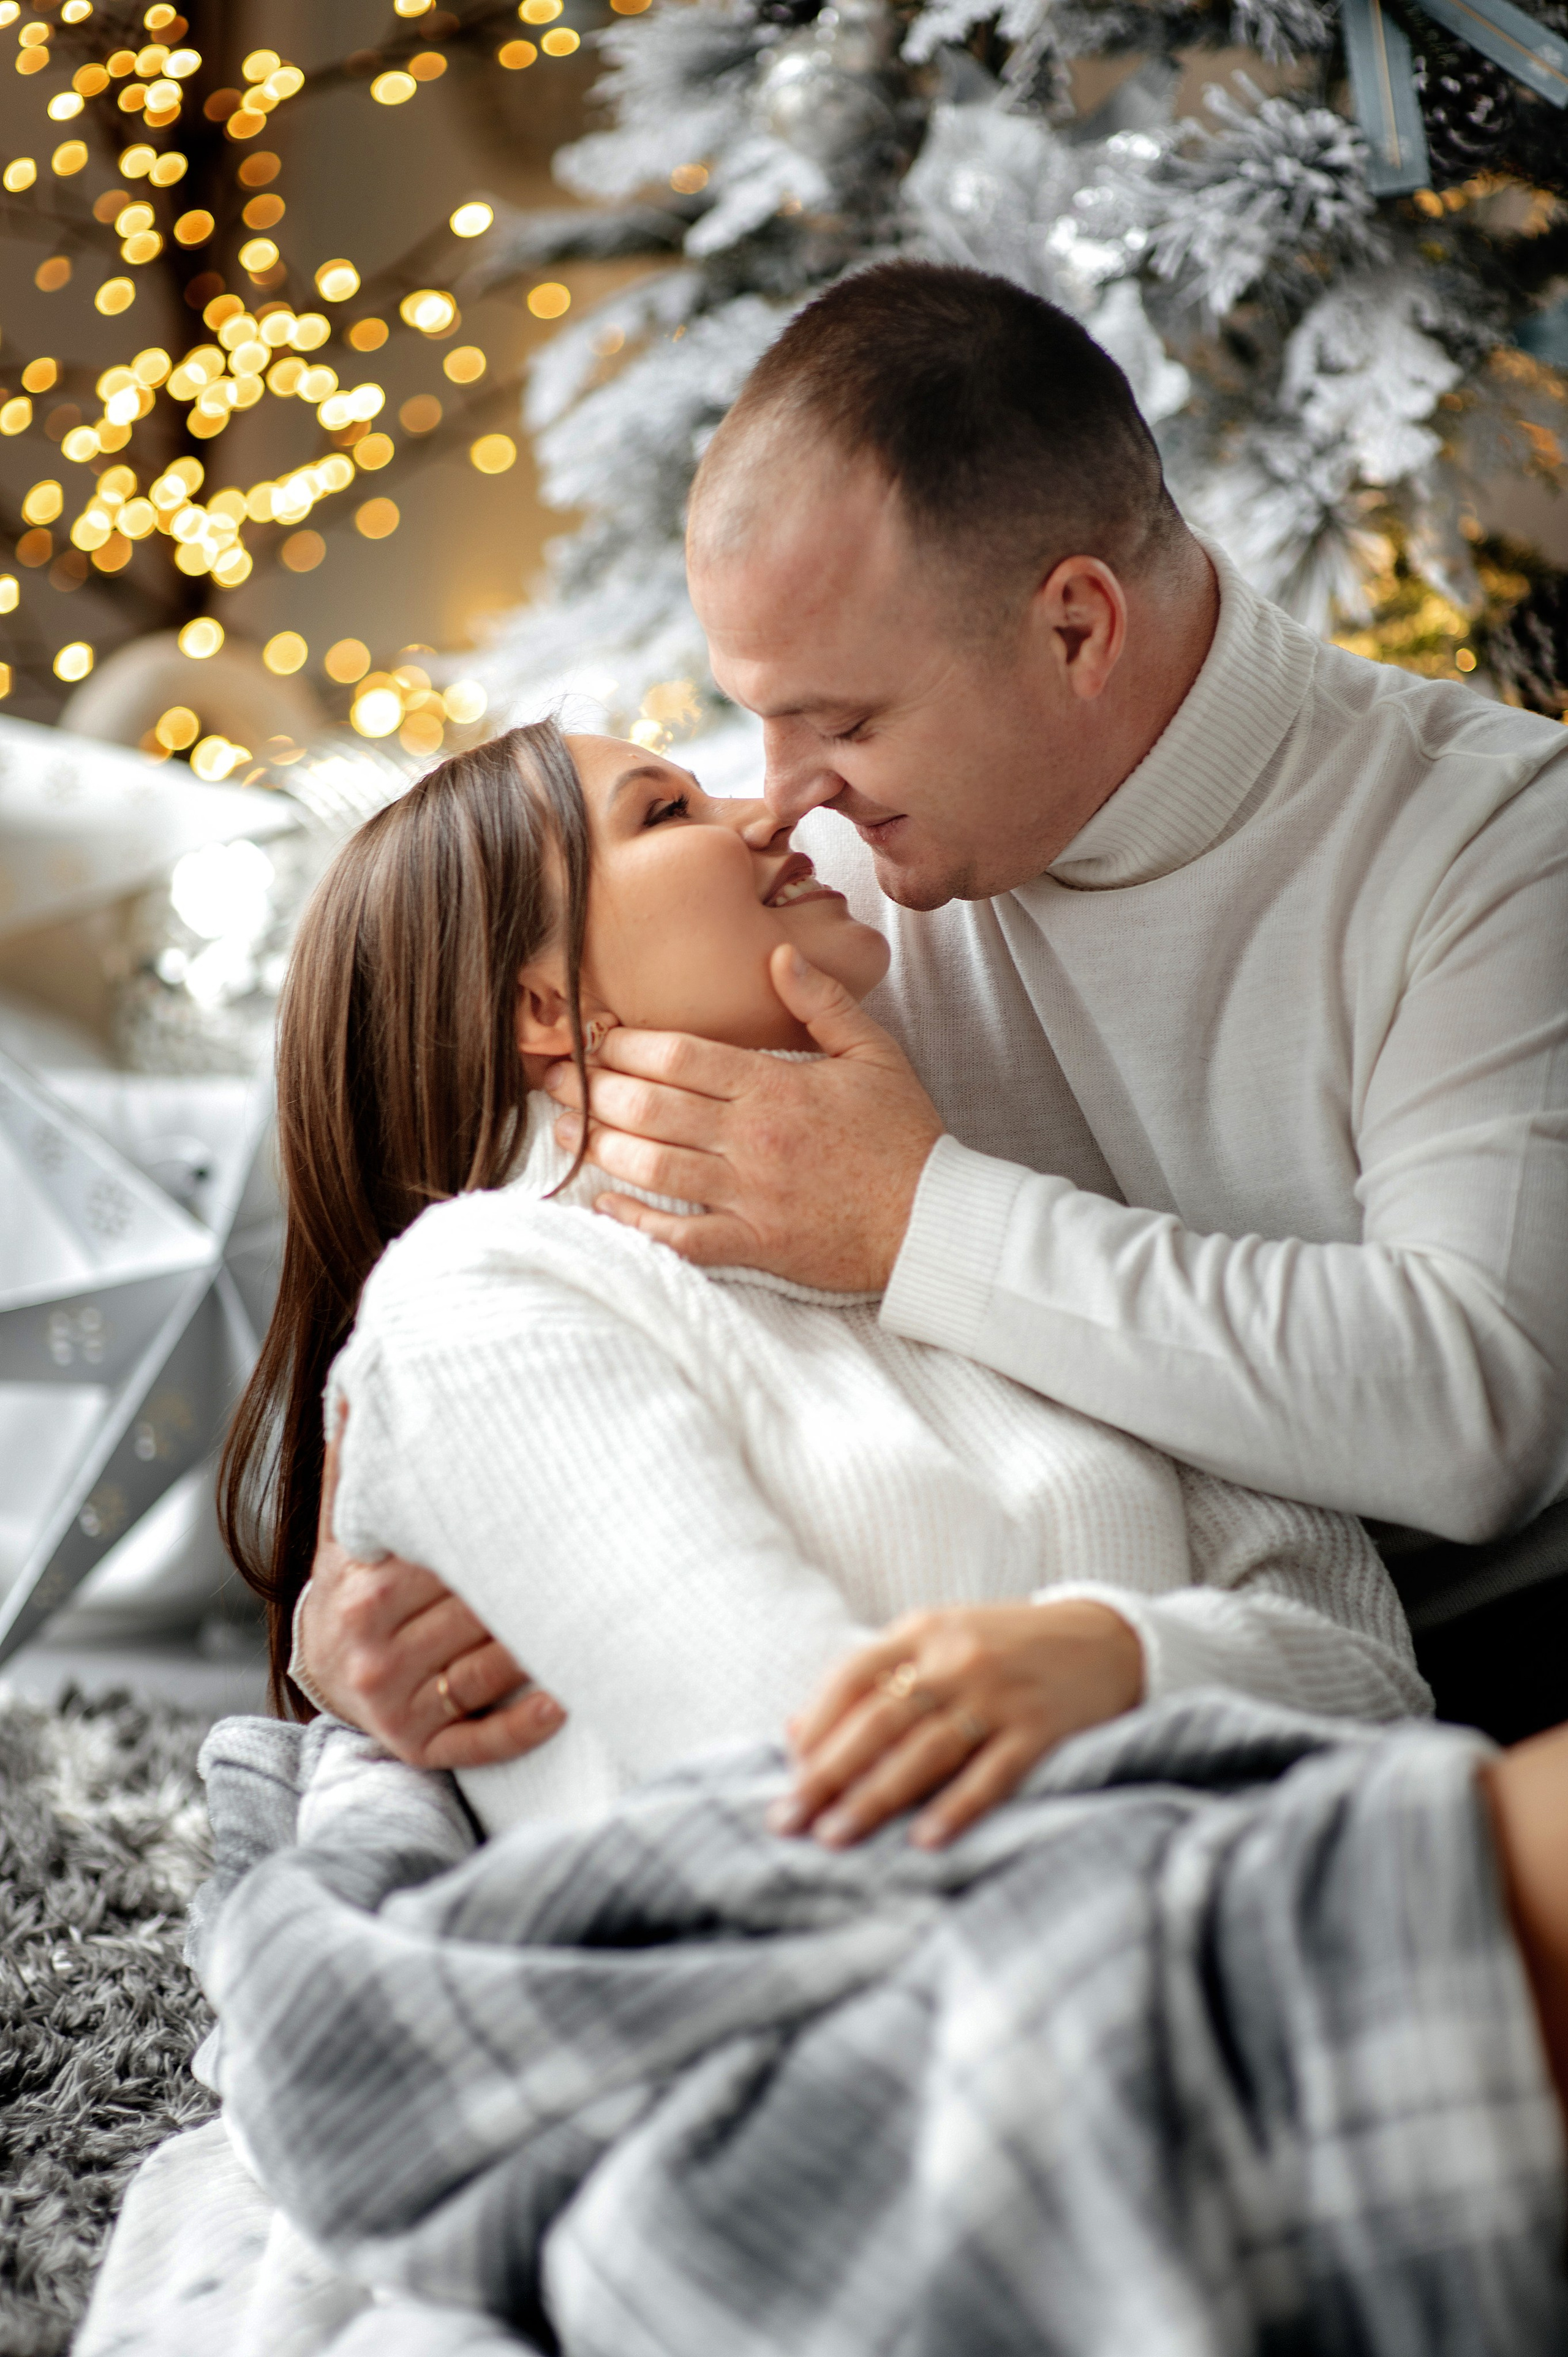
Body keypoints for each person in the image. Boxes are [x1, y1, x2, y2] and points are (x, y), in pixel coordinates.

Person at [294, 257, 1568, 1774]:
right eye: (753, 716)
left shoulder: (1492, 841)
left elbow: (1475, 1407)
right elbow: (498, 1211)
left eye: (839, 721)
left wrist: (912, 1219)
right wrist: (345, 1589)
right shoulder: (800, 875)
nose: (779, 790)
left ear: (1075, 629)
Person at [222, 720, 1425, 1844]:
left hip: (1280, 1893)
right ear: (546, 1007)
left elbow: (1373, 1678)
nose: (768, 813)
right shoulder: (483, 1298)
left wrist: (1108, 1656)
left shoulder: (985, 1228)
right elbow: (809, 1793)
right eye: (666, 810)